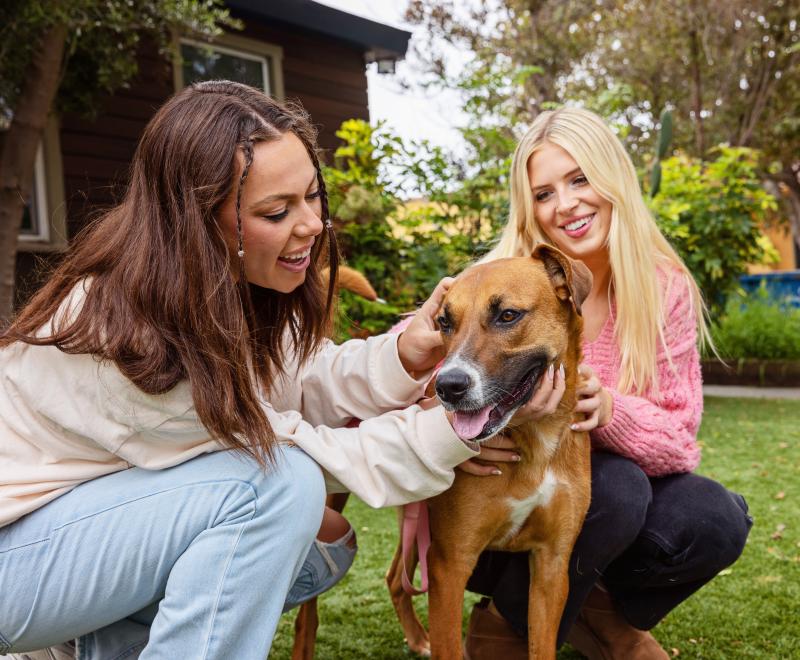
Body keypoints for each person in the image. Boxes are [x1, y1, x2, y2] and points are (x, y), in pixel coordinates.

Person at [0, 81, 546, 660]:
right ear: (196, 220)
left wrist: (406, 354)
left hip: (82, 538)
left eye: (312, 195)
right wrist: (459, 428)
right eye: (277, 211)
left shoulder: (231, 289)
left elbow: (307, 376)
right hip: (16, 561)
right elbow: (294, 453)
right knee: (277, 489)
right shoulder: (130, 332)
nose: (312, 224)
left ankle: (104, 646)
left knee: (323, 545)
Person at [461, 107, 753, 660]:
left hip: (613, 505)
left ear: (612, 178)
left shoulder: (662, 287)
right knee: (616, 487)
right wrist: (452, 437)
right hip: (508, 506)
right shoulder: (508, 277)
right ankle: (504, 619)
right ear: (531, 209)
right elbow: (423, 349)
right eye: (543, 193)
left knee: (714, 517)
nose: (565, 204)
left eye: (579, 179)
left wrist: (610, 411)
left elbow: (680, 440)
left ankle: (596, 611)